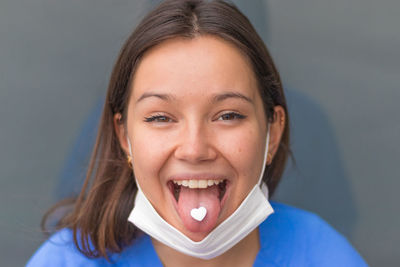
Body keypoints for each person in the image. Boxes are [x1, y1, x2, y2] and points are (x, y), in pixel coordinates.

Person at [27, 0, 368, 266]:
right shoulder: (64, 262)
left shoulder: (325, 256)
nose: (194, 149)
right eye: (160, 117)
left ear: (273, 132)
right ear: (124, 137)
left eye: (228, 115)